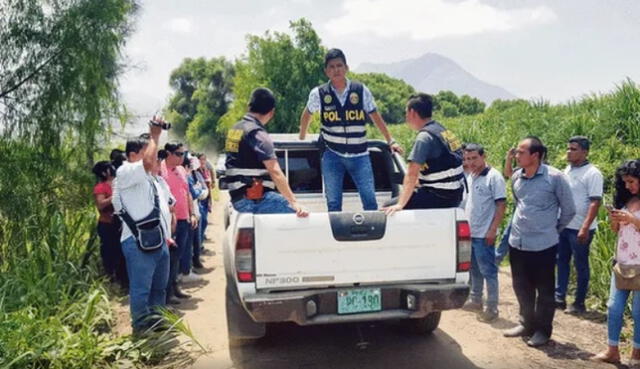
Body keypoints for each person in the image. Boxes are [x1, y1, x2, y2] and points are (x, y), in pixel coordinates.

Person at [298, 48, 403, 212]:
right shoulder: (318, 93)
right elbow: (307, 114)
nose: (336, 70)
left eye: (339, 65)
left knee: (369, 201)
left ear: (346, 68)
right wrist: (302, 136)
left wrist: (390, 140)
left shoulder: (360, 90)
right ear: (326, 71)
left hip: (360, 155)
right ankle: (335, 237)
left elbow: (376, 116)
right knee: (333, 204)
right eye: (331, 67)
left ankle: (372, 235)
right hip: (332, 155)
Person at [502, 136, 575, 347]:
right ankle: (526, 323)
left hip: (544, 244)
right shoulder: (517, 177)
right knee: (521, 286)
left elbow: (569, 210)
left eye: (521, 152)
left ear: (535, 155)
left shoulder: (555, 178)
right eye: (516, 152)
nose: (516, 155)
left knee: (544, 290)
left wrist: (552, 230)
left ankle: (543, 330)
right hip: (518, 242)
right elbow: (519, 203)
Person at [111, 120, 171, 334]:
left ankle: (157, 322)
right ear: (134, 154)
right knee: (141, 290)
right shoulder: (125, 172)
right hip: (137, 243)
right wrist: (154, 135)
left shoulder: (150, 179)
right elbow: (147, 163)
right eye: (149, 152)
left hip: (157, 240)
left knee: (159, 288)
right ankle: (141, 329)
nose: (154, 157)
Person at [223, 87, 308, 217]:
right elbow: (275, 171)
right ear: (272, 112)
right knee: (302, 217)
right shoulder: (257, 133)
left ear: (249, 106)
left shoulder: (235, 129)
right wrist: (294, 202)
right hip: (255, 200)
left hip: (238, 199)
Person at [383, 93, 465, 215]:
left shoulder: (424, 138)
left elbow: (411, 174)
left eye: (406, 113)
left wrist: (400, 205)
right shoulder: (442, 130)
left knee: (388, 207)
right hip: (455, 195)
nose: (406, 118)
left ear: (412, 112)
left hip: (438, 197)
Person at [594, 159, 640, 365]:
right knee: (613, 307)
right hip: (621, 262)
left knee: (639, 312)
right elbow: (616, 231)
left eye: (631, 181)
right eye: (625, 182)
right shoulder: (625, 201)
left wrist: (632, 219)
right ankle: (612, 349)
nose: (628, 186)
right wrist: (615, 220)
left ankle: (636, 353)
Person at [555, 136, 603, 314]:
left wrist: (585, 227)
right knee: (561, 261)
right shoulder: (567, 170)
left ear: (584, 152)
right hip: (564, 226)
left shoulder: (593, 173)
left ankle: (579, 302)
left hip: (580, 228)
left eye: (573, 149)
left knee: (580, 264)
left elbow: (594, 202)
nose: (569, 152)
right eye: (568, 148)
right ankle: (559, 297)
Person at [462, 144, 507, 322]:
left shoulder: (493, 177)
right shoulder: (471, 176)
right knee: (474, 268)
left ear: (483, 156)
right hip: (471, 232)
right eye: (467, 159)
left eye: (474, 158)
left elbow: (501, 206)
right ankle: (476, 299)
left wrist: (492, 229)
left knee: (488, 270)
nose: (470, 162)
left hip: (484, 234)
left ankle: (492, 307)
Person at [161, 142, 197, 303]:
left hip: (184, 219)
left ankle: (175, 288)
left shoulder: (182, 170)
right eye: (178, 153)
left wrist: (193, 213)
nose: (182, 157)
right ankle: (166, 294)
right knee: (168, 258)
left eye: (183, 154)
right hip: (170, 222)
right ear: (168, 153)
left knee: (178, 256)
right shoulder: (160, 170)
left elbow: (187, 192)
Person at [92, 161, 127, 289]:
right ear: (104, 172)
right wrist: (115, 196)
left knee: (122, 253)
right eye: (109, 168)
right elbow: (100, 204)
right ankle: (112, 279)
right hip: (108, 225)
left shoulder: (118, 183)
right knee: (110, 253)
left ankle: (123, 280)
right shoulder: (101, 187)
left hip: (121, 223)